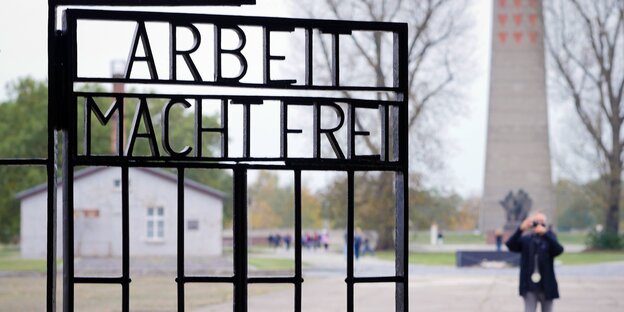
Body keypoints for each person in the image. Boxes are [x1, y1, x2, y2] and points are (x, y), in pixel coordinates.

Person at [506, 212, 564, 312]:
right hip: (529, 286)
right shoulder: (527, 239)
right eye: (536, 222)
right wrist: (520, 229)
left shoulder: (550, 237)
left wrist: (545, 234)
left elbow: (559, 250)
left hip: (547, 285)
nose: (539, 225)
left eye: (542, 222)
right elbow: (510, 245)